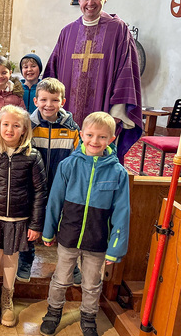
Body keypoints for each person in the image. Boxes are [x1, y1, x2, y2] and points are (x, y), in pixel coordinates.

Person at [40, 112, 130, 336]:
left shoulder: (118, 173)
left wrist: (115, 249)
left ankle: (88, 317)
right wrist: (48, 232)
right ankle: (53, 312)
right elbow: (55, 201)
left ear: (111, 139)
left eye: (101, 137)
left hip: (97, 240)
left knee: (91, 284)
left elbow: (122, 212)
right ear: (81, 135)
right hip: (68, 236)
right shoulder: (68, 165)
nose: (94, 141)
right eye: (89, 135)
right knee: (61, 280)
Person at [43, 0, 142, 162]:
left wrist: (116, 115)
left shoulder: (118, 30)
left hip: (103, 116)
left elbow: (126, 73)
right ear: (79, 0)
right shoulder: (67, 32)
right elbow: (53, 75)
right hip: (67, 118)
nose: (90, 3)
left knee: (98, 168)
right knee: (66, 166)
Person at [0, 105, 47, 327]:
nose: (10, 129)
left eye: (16, 126)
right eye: (6, 124)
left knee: (11, 257)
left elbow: (40, 192)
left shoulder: (33, 156)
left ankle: (7, 297)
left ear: (24, 130)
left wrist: (35, 224)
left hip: (18, 218)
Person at [17, 77, 81, 283]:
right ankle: (26, 259)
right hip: (33, 185)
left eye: (54, 100)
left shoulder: (71, 128)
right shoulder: (28, 125)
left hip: (61, 185)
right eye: (44, 100)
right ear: (35, 101)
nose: (48, 105)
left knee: (66, 224)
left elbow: (79, 154)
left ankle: (70, 264)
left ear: (62, 101)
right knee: (30, 221)